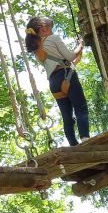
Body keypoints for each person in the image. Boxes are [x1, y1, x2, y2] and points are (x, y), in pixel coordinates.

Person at [25, 17, 90, 146]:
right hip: (66, 76)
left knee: (67, 116)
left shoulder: (37, 50)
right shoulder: (53, 38)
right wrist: (80, 45)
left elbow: (59, 61)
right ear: (44, 29)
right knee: (80, 108)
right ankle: (86, 140)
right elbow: (71, 57)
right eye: (50, 29)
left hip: (54, 82)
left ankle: (73, 144)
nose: (52, 31)